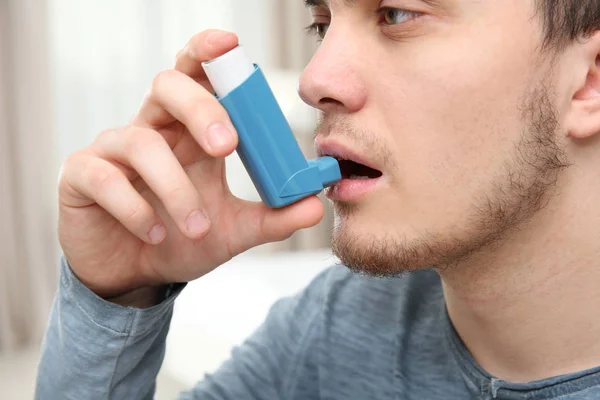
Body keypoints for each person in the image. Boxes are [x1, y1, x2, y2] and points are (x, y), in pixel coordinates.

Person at [35, 0, 600, 398]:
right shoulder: (340, 321)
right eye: (321, 23)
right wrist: (114, 300)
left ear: (589, 81)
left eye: (398, 14)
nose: (314, 79)